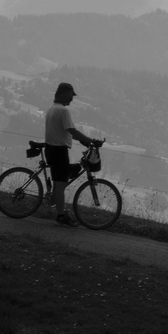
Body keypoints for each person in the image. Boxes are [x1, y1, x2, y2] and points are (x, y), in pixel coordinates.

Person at [42, 82, 103, 227]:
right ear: (64, 93)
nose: (72, 98)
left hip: (51, 149)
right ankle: (61, 215)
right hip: (59, 150)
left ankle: (57, 206)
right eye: (71, 95)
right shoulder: (63, 111)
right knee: (61, 183)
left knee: (59, 181)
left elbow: (65, 132)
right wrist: (91, 141)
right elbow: (72, 131)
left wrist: (84, 142)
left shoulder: (52, 109)